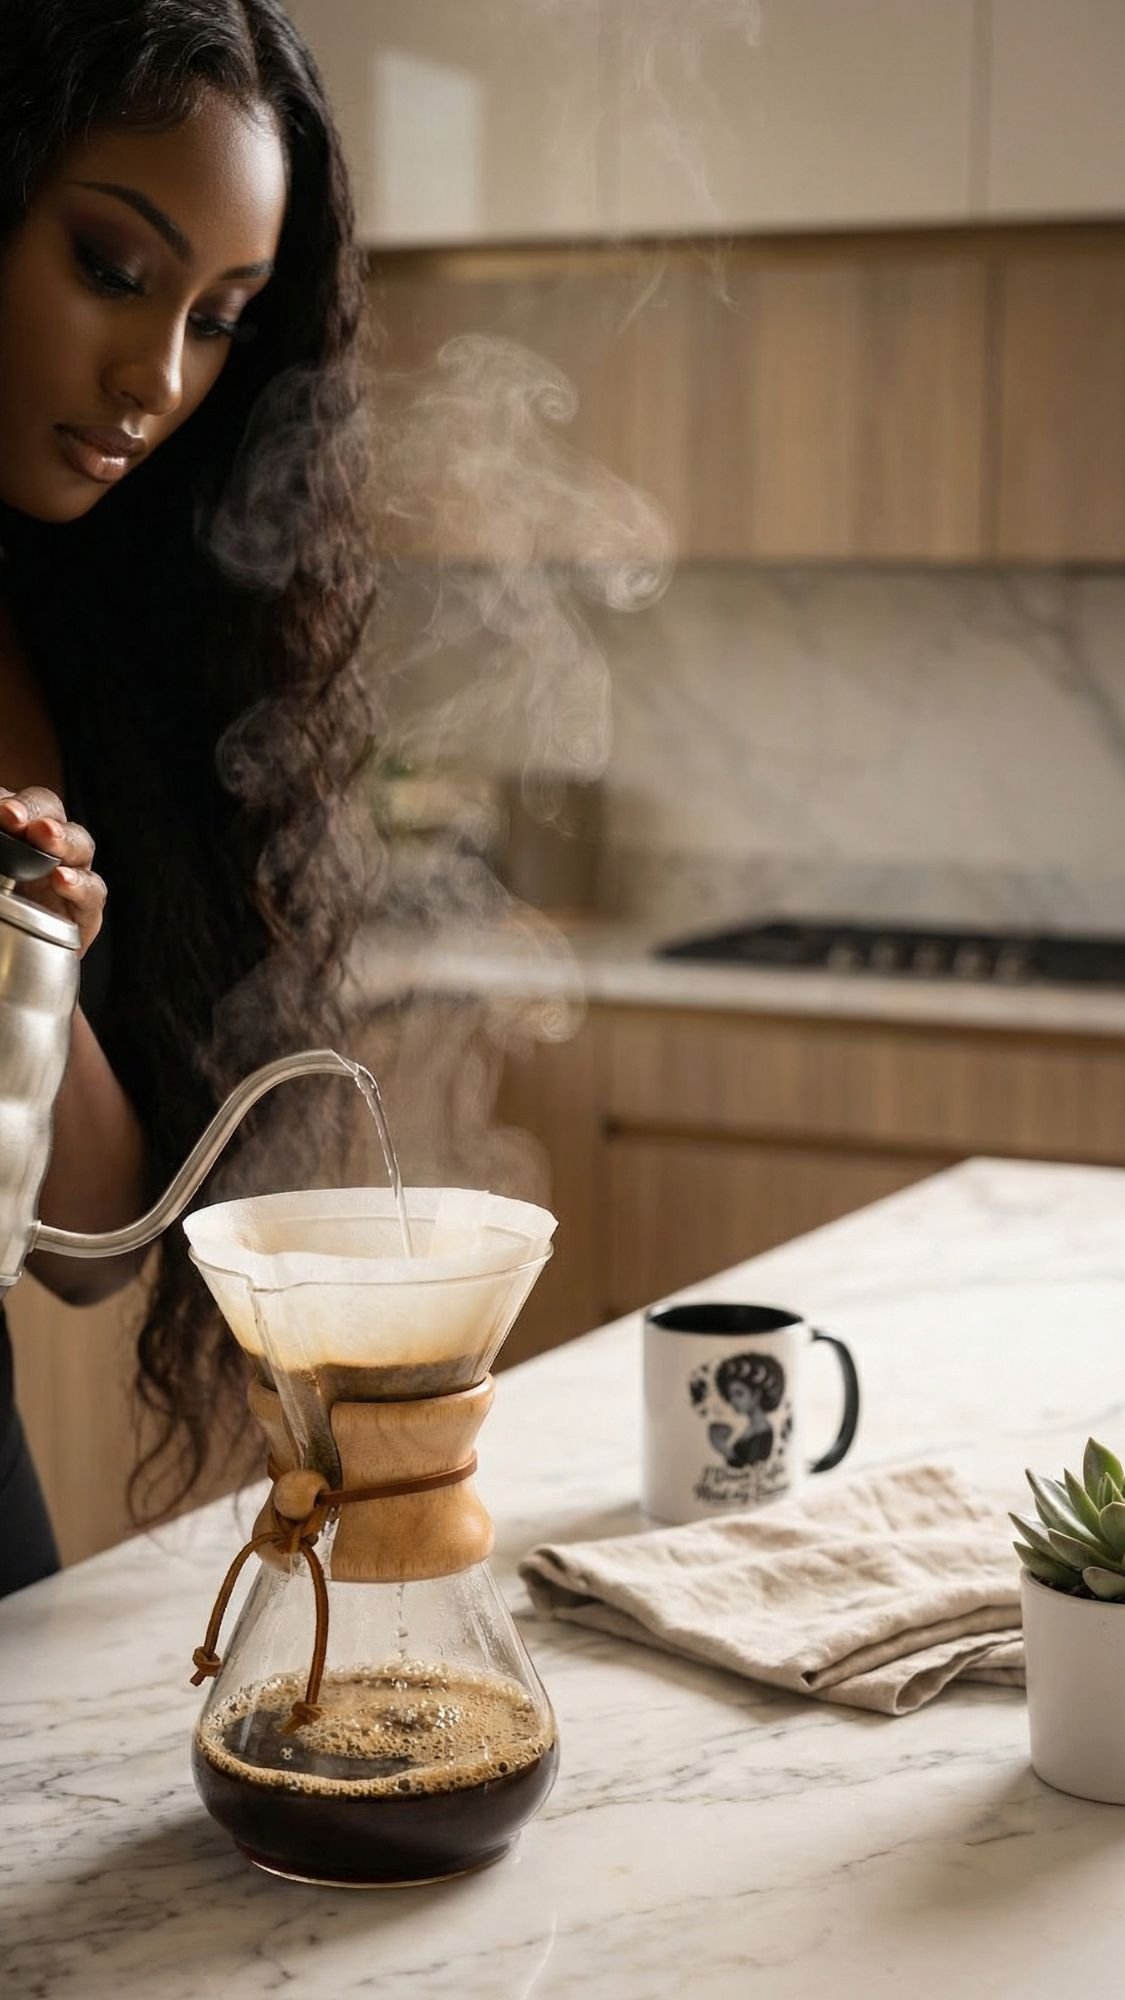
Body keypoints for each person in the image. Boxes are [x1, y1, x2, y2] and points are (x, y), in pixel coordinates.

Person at [0, 0, 376, 1595]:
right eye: (111, 268)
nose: (157, 376)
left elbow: (84, 1241)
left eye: (220, 317)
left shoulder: (52, 632)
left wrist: (44, 965)